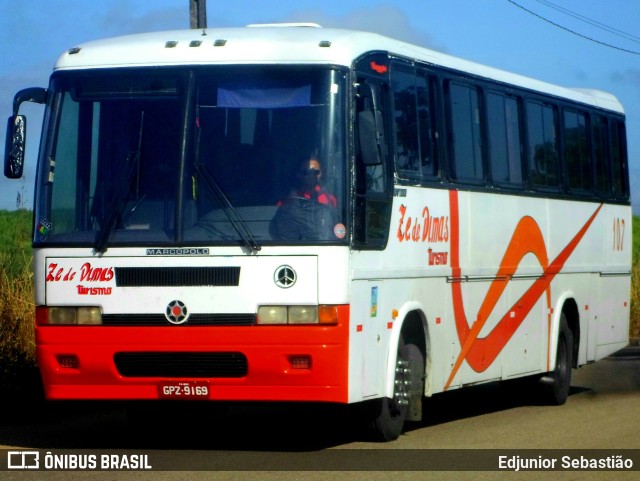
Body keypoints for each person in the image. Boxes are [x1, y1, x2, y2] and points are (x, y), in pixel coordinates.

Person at [274, 157, 338, 240]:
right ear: (298, 174)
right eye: (306, 172)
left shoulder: (331, 200)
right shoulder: (285, 201)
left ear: (321, 173)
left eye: (315, 172)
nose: (311, 175)